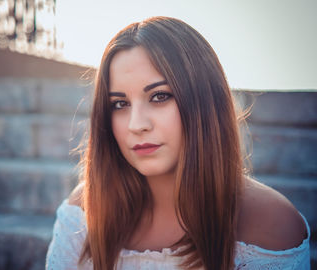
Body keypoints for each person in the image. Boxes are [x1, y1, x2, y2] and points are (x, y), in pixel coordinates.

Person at [46, 16, 310, 270]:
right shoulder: (85, 210)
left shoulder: (270, 224)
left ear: (204, 101)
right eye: (120, 104)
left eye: (160, 96)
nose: (136, 125)